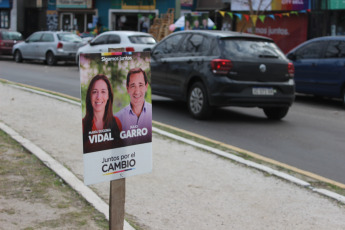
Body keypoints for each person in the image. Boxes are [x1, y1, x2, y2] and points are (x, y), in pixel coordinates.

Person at [82, 74, 123, 153]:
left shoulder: (117, 123)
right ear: (89, 96)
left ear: (108, 96)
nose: (98, 96)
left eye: (103, 91)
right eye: (94, 92)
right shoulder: (83, 125)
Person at [116, 68, 152, 146]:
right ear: (127, 88)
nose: (137, 91)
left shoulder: (152, 112)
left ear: (146, 87)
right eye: (133, 86)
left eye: (140, 85)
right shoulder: (117, 118)